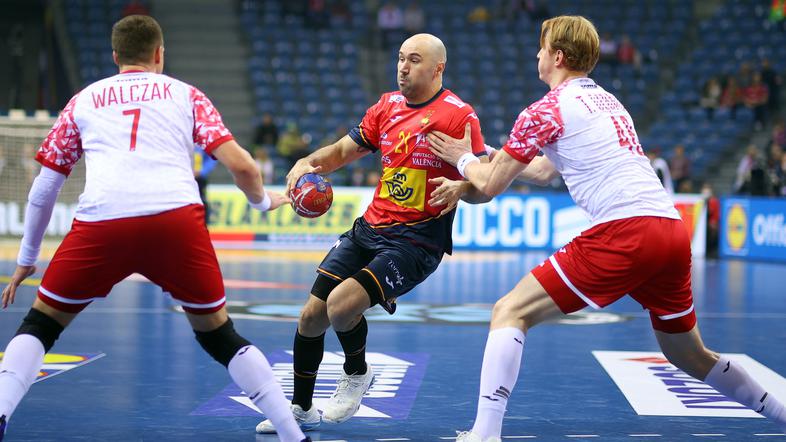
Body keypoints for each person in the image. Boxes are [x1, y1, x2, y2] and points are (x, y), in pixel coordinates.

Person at [426, 15, 786, 441]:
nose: (537, 54)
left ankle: (485, 433)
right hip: (670, 231)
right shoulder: (608, 102)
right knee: (689, 354)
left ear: (558, 56)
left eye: (542, 48)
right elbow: (543, 170)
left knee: (510, 311)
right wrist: (486, 152)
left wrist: (463, 157)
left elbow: (489, 184)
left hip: (625, 230)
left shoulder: (544, 110)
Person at [0, 15, 309, 442]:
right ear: (160, 54)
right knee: (220, 336)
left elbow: (43, 189)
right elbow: (243, 166)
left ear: (115, 56)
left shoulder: (83, 100)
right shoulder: (186, 95)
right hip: (174, 221)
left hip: (101, 224)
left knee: (40, 325)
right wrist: (261, 202)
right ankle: (293, 435)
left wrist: (27, 259)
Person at [255, 33, 490, 434]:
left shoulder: (458, 115)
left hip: (417, 241)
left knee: (341, 306)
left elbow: (485, 185)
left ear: (438, 68)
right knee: (311, 317)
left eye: (413, 60)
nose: (403, 67)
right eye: (400, 58)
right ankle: (301, 409)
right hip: (369, 228)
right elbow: (341, 152)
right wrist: (308, 161)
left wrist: (463, 187)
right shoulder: (387, 106)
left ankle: (357, 373)